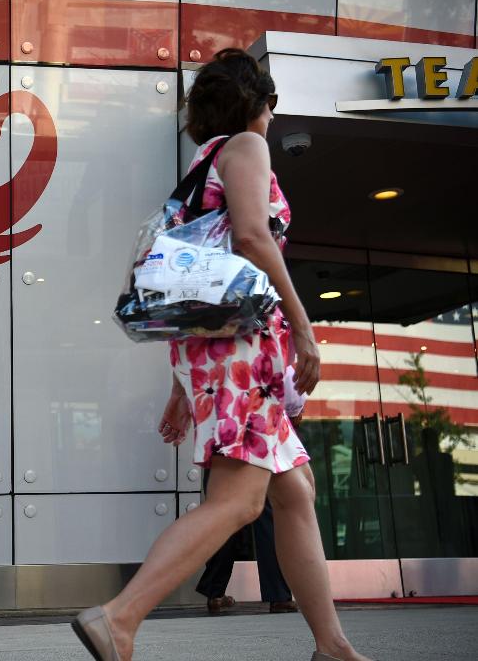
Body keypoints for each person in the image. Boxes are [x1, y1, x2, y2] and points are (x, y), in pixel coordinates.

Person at [72, 49, 372, 661]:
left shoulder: (202, 163)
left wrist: (183, 388)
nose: (272, 117)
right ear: (257, 103)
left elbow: (196, 287)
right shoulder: (246, 147)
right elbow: (251, 237)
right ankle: (118, 617)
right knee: (239, 500)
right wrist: (305, 327)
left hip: (218, 352)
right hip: (242, 353)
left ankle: (331, 645)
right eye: (272, 104)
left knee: (296, 492)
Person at [198, 367, 307, 615]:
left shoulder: (220, 350)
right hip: (262, 430)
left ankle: (214, 591)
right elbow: (291, 390)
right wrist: (296, 410)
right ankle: (278, 594)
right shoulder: (266, 337)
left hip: (223, 431)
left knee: (223, 511)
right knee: (270, 512)